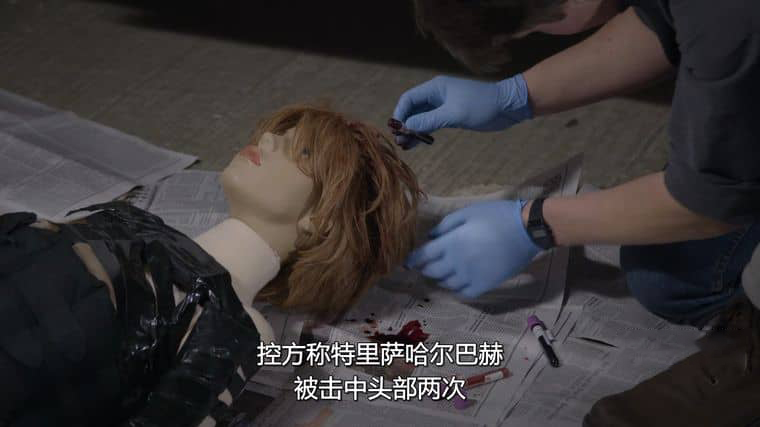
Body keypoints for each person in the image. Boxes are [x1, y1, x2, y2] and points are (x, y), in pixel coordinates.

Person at [396, 1, 759, 424]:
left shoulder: (732, 16)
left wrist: (536, 224)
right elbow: (662, 20)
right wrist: (514, 96)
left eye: (537, 25)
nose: (540, 32)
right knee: (667, 278)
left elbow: (706, 201)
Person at [0, 105, 422, 426]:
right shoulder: (127, 218)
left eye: (302, 151)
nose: (268, 140)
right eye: (278, 134)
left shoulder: (232, 323)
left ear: (321, 219)